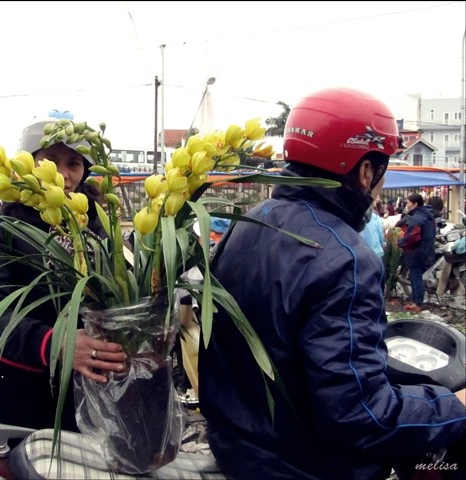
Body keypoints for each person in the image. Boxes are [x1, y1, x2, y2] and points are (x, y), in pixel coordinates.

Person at [199, 88, 466, 480]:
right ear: (364, 172)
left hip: (237, 449)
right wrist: (455, 405)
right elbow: (359, 415)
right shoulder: (345, 259)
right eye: (381, 174)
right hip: (304, 467)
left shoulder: (250, 222)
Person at [0, 119, 127, 432]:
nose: (63, 175)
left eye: (74, 163)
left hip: (96, 393)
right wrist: (57, 344)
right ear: (28, 164)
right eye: (50, 161)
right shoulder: (1, 227)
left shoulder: (102, 226)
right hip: (25, 393)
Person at [395, 193, 437, 312]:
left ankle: (417, 303)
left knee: (416, 277)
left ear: (415, 204)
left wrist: (400, 242)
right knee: (415, 276)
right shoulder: (429, 216)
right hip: (426, 251)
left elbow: (412, 237)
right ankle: (414, 300)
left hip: (416, 252)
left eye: (408, 203)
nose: (406, 205)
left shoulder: (417, 218)